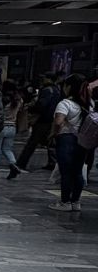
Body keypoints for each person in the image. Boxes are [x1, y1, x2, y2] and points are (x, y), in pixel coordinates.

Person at [48, 74, 92, 212]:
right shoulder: (89, 104)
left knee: (66, 172)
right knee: (78, 171)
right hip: (82, 141)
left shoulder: (65, 103)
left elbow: (58, 122)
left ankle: (65, 202)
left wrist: (54, 134)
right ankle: (76, 202)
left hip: (66, 140)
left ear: (69, 87)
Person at [16, 72, 60, 172]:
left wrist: (32, 108)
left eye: (44, 78)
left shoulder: (46, 90)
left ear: (49, 79)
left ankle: (21, 163)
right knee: (51, 143)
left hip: (42, 120)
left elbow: (41, 105)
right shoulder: (57, 90)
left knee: (32, 143)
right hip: (52, 120)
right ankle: (52, 163)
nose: (43, 80)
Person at [0, 80, 23, 180]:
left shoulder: (1, 99)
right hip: (12, 127)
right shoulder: (18, 99)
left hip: (0, 127)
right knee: (7, 149)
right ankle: (13, 164)